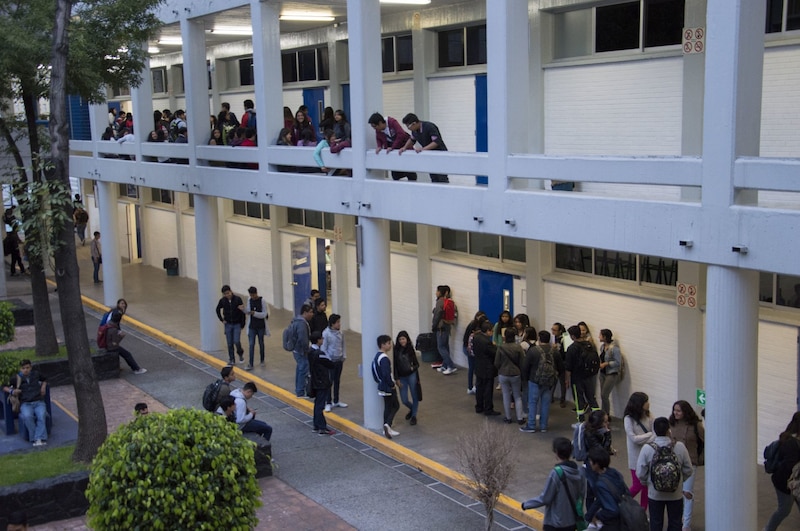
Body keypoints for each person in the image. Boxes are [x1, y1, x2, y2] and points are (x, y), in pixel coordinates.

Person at [636, 417, 693, 531]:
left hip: (655, 493)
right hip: (675, 493)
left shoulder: (647, 449)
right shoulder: (680, 447)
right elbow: (688, 469)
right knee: (675, 523)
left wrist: (648, 482)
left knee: (656, 522)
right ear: (669, 430)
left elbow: (640, 472)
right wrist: (679, 480)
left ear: (654, 431)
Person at [522, 437, 587, 531]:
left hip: (556, 523)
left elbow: (545, 498)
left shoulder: (556, 473)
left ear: (556, 452)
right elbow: (581, 495)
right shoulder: (580, 472)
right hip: (572, 521)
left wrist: (526, 505)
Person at [669, 400, 705, 531]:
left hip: (691, 462)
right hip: (674, 461)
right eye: (675, 410)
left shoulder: (696, 426)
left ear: (685, 412)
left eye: (679, 411)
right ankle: (680, 518)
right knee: (677, 491)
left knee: (687, 492)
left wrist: (700, 458)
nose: (676, 413)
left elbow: (706, 440)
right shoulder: (672, 423)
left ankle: (686, 524)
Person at [764, 411, 800, 531]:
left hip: (789, 481)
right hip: (785, 483)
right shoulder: (792, 443)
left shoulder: (789, 437)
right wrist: (791, 486)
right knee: (783, 510)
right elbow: (790, 466)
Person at [3, 360, 48, 446]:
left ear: (30, 368)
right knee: (27, 416)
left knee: (41, 416)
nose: (25, 370)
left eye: (27, 368)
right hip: (25, 403)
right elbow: (4, 386)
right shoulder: (16, 378)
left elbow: (45, 379)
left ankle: (38, 438)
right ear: (20, 369)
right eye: (23, 368)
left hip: (38, 401)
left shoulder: (36, 374)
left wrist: (43, 386)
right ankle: (36, 437)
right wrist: (12, 391)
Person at [623, 391, 656, 509]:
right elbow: (634, 439)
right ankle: (622, 502)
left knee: (646, 486)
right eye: (646, 401)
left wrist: (649, 436)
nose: (648, 403)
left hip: (648, 455)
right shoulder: (629, 419)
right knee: (637, 485)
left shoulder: (649, 415)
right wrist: (650, 435)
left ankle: (643, 510)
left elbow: (654, 433)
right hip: (635, 457)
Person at [521, 330, 556, 433]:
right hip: (549, 382)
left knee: (533, 402)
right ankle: (543, 426)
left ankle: (531, 425)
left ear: (539, 339)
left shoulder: (533, 351)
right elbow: (560, 366)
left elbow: (525, 366)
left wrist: (525, 379)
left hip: (534, 380)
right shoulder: (554, 351)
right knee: (545, 403)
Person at [586, 446, 628, 531]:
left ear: (596, 464)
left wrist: (597, 516)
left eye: (591, 461)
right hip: (625, 515)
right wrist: (589, 515)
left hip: (613, 524)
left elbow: (612, 510)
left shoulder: (600, 484)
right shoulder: (614, 472)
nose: (589, 463)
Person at [399, 113, 449, 183]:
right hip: (429, 156)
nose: (409, 129)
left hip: (439, 155)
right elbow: (412, 140)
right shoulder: (414, 131)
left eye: (409, 127)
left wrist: (423, 149)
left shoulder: (429, 127)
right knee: (434, 178)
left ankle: (444, 193)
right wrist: (404, 147)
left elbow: (436, 142)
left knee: (442, 178)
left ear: (414, 123)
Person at [368, 112, 418, 181]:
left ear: (380, 123)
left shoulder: (392, 122)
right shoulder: (378, 130)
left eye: (375, 126)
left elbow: (401, 134)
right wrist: (379, 146)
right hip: (393, 152)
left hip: (403, 147)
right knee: (395, 174)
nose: (374, 129)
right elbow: (378, 138)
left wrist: (393, 147)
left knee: (410, 171)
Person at [564, 325, 598, 419]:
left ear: (573, 336)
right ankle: (598, 419)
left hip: (577, 377)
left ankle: (581, 419)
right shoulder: (589, 345)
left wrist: (567, 380)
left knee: (579, 399)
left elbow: (568, 367)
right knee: (591, 398)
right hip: (589, 376)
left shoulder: (572, 348)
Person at [495, 327, 526, 425]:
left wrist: (501, 368)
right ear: (514, 337)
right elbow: (522, 362)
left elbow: (496, 362)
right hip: (515, 374)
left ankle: (508, 418)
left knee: (506, 395)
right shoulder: (518, 347)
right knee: (517, 396)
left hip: (503, 374)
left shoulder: (501, 347)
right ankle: (520, 418)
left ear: (505, 337)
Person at [307, 331, 336, 435]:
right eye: (322, 339)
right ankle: (322, 427)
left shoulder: (310, 352)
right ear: (318, 340)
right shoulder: (320, 354)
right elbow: (330, 364)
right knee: (320, 405)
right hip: (322, 382)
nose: (323, 340)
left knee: (317, 404)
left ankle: (316, 425)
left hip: (315, 381)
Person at [105, 310, 147, 374]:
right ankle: (136, 369)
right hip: (111, 347)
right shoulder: (113, 329)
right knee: (127, 354)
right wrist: (121, 336)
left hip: (108, 345)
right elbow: (114, 343)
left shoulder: (109, 324)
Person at [374, 334, 399, 439]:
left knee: (388, 406)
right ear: (383, 345)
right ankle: (387, 425)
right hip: (388, 386)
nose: (390, 345)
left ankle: (387, 427)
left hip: (382, 386)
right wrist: (392, 385)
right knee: (395, 406)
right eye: (388, 343)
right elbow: (386, 374)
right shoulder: (384, 359)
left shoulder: (377, 356)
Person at [393, 330, 421, 426]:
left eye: (403, 339)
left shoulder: (410, 349)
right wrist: (396, 378)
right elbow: (395, 365)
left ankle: (414, 415)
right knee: (404, 399)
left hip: (411, 375)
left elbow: (417, 363)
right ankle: (412, 408)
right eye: (400, 339)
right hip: (402, 376)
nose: (402, 341)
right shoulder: (396, 350)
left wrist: (412, 368)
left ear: (407, 339)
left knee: (414, 395)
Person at [472, 320, 500, 416]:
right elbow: (494, 353)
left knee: (479, 388)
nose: (492, 333)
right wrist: (495, 347)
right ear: (488, 331)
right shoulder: (487, 342)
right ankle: (488, 409)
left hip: (479, 366)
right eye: (491, 331)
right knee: (488, 389)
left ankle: (479, 407)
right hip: (487, 368)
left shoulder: (476, 337)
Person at [321, 313, 347, 411]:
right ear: (332, 324)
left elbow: (343, 345)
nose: (339, 324)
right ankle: (328, 402)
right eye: (337, 322)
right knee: (329, 381)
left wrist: (344, 356)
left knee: (337, 381)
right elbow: (324, 348)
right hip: (331, 361)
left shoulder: (341, 333)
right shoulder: (326, 333)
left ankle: (336, 400)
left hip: (339, 360)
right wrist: (328, 359)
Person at [215, 285, 246, 365]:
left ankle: (240, 353)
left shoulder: (237, 299)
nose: (227, 295)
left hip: (237, 324)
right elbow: (217, 309)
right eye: (225, 294)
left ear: (231, 291)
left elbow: (242, 312)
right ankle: (232, 359)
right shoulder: (223, 301)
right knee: (229, 343)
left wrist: (242, 323)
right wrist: (222, 319)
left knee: (236, 341)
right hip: (228, 324)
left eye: (228, 293)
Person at [288, 303, 313, 397]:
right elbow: (303, 339)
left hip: (296, 350)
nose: (312, 314)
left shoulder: (296, 321)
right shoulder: (302, 324)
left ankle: (299, 390)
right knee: (303, 370)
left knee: (300, 369)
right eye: (310, 312)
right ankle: (300, 391)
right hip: (301, 351)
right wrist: (307, 349)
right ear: (305, 312)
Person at [432, 285, 457, 374]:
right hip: (447, 327)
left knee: (441, 347)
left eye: (437, 291)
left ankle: (451, 365)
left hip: (441, 328)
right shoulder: (449, 302)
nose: (436, 292)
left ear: (440, 292)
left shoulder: (440, 302)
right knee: (445, 346)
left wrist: (433, 326)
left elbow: (437, 315)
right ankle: (444, 365)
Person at [598, 328, 622, 417]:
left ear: (604, 337)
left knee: (604, 395)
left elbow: (618, 362)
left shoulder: (614, 349)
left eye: (600, 335)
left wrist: (607, 363)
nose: (598, 337)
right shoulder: (602, 347)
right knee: (602, 395)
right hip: (602, 373)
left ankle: (606, 414)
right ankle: (603, 413)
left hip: (611, 373)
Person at [245, 286, 269, 370]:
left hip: (260, 326)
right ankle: (250, 363)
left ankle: (262, 359)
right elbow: (248, 310)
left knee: (261, 343)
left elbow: (264, 314)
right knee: (251, 344)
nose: (252, 297)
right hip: (252, 326)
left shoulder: (262, 301)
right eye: (251, 295)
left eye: (253, 295)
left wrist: (254, 313)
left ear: (256, 293)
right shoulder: (249, 300)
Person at [463, 311, 487, 395]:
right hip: (471, 349)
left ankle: (471, 387)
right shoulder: (474, 327)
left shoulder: (472, 324)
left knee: (472, 368)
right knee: (474, 368)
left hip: (468, 348)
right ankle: (474, 387)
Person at [551, 322, 570, 408]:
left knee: (562, 382)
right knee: (553, 381)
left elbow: (566, 353)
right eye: (552, 329)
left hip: (563, 362)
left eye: (554, 330)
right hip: (555, 362)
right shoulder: (554, 337)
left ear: (560, 330)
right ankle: (550, 397)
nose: (553, 332)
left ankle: (563, 399)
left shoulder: (565, 338)